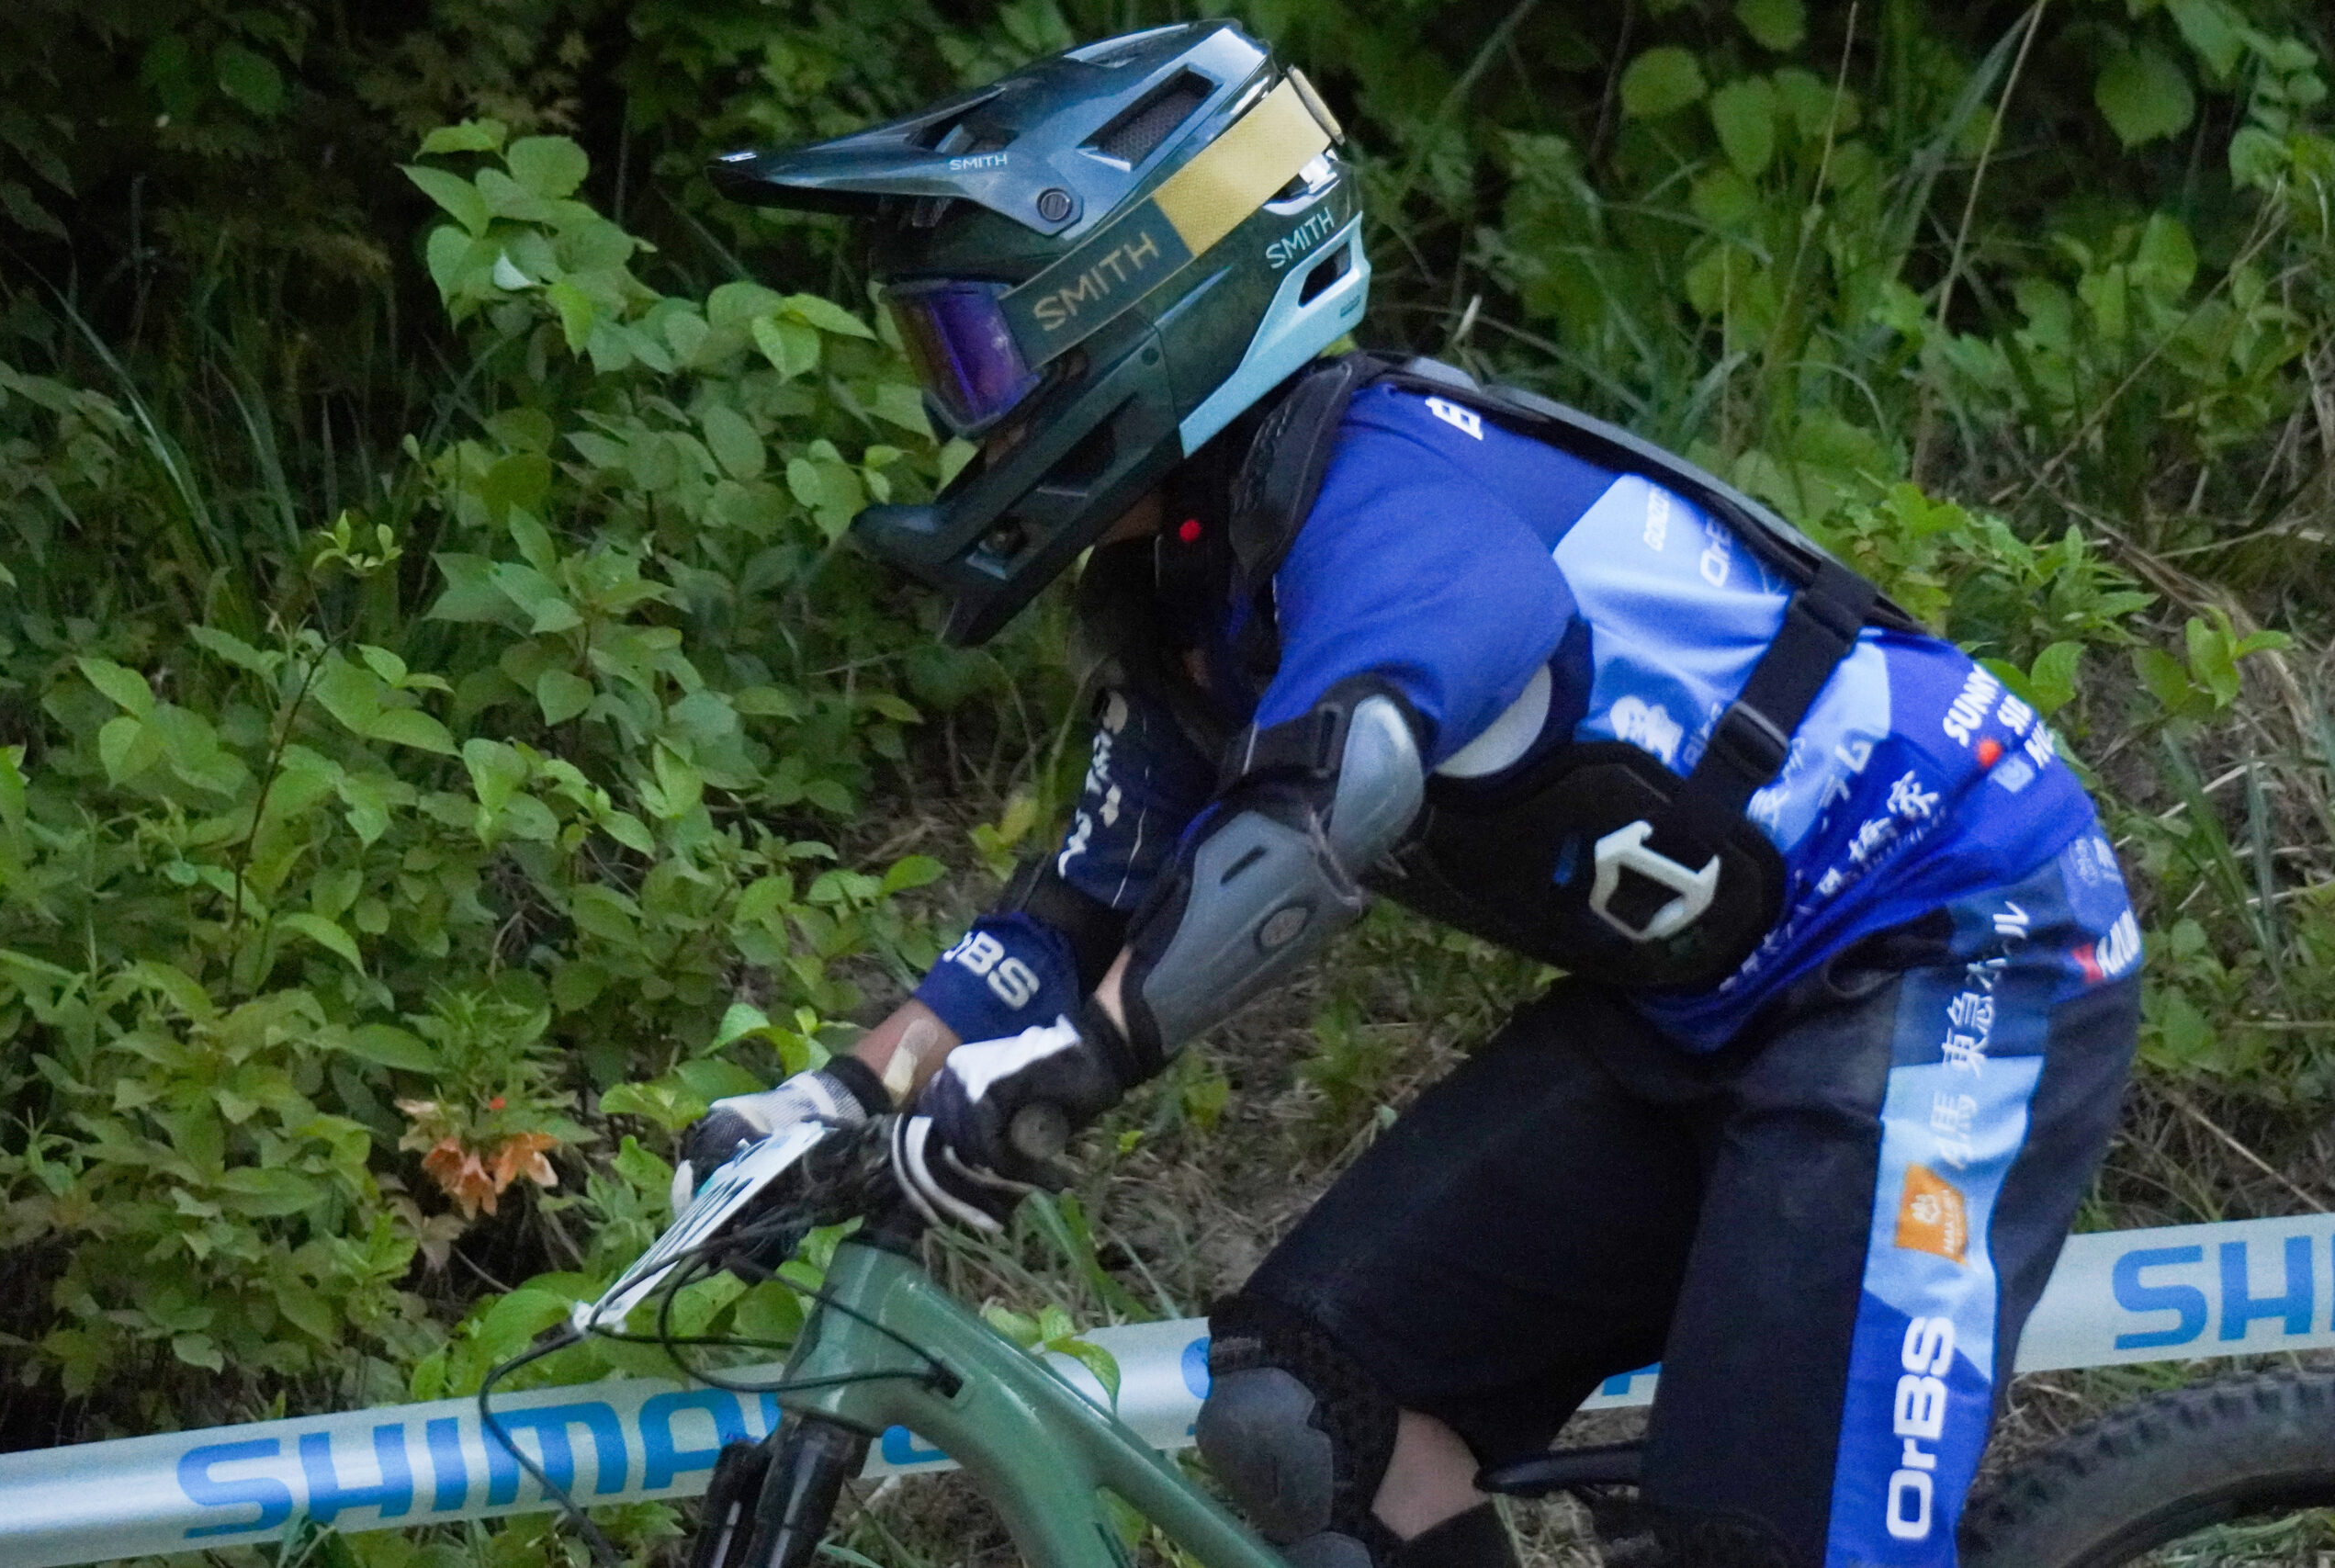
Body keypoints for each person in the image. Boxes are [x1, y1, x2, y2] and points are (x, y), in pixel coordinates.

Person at [681, 21, 2143, 1568]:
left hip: (1951, 948)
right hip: (1696, 1004)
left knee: (1762, 1544)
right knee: (1315, 1419)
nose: (959, 417)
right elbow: (1064, 917)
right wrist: (834, 1099)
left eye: (978, 358)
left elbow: (1330, 807)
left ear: (1129, 319)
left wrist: (1077, 1062)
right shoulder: (1202, 587)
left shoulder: (1389, 505)